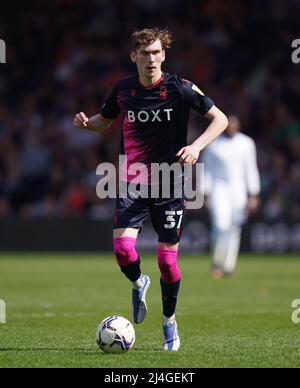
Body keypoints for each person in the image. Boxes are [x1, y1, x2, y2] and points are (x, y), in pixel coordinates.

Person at [74, 28, 228, 351]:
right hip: (133, 183)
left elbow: (221, 119)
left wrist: (197, 146)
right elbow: (105, 121)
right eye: (145, 54)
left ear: (164, 55)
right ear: (134, 57)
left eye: (157, 53)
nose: (151, 59)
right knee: (122, 251)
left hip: (171, 183)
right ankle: (137, 281)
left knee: (167, 263)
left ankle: (169, 323)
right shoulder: (123, 90)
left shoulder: (180, 88)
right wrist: (88, 123)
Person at [202, 115, 260, 279]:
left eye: (234, 124)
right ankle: (216, 263)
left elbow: (250, 169)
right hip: (219, 189)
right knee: (220, 225)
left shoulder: (247, 143)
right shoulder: (214, 144)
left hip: (238, 189)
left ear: (239, 126)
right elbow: (207, 170)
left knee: (235, 228)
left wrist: (253, 193)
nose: (230, 128)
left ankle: (228, 266)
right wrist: (205, 193)